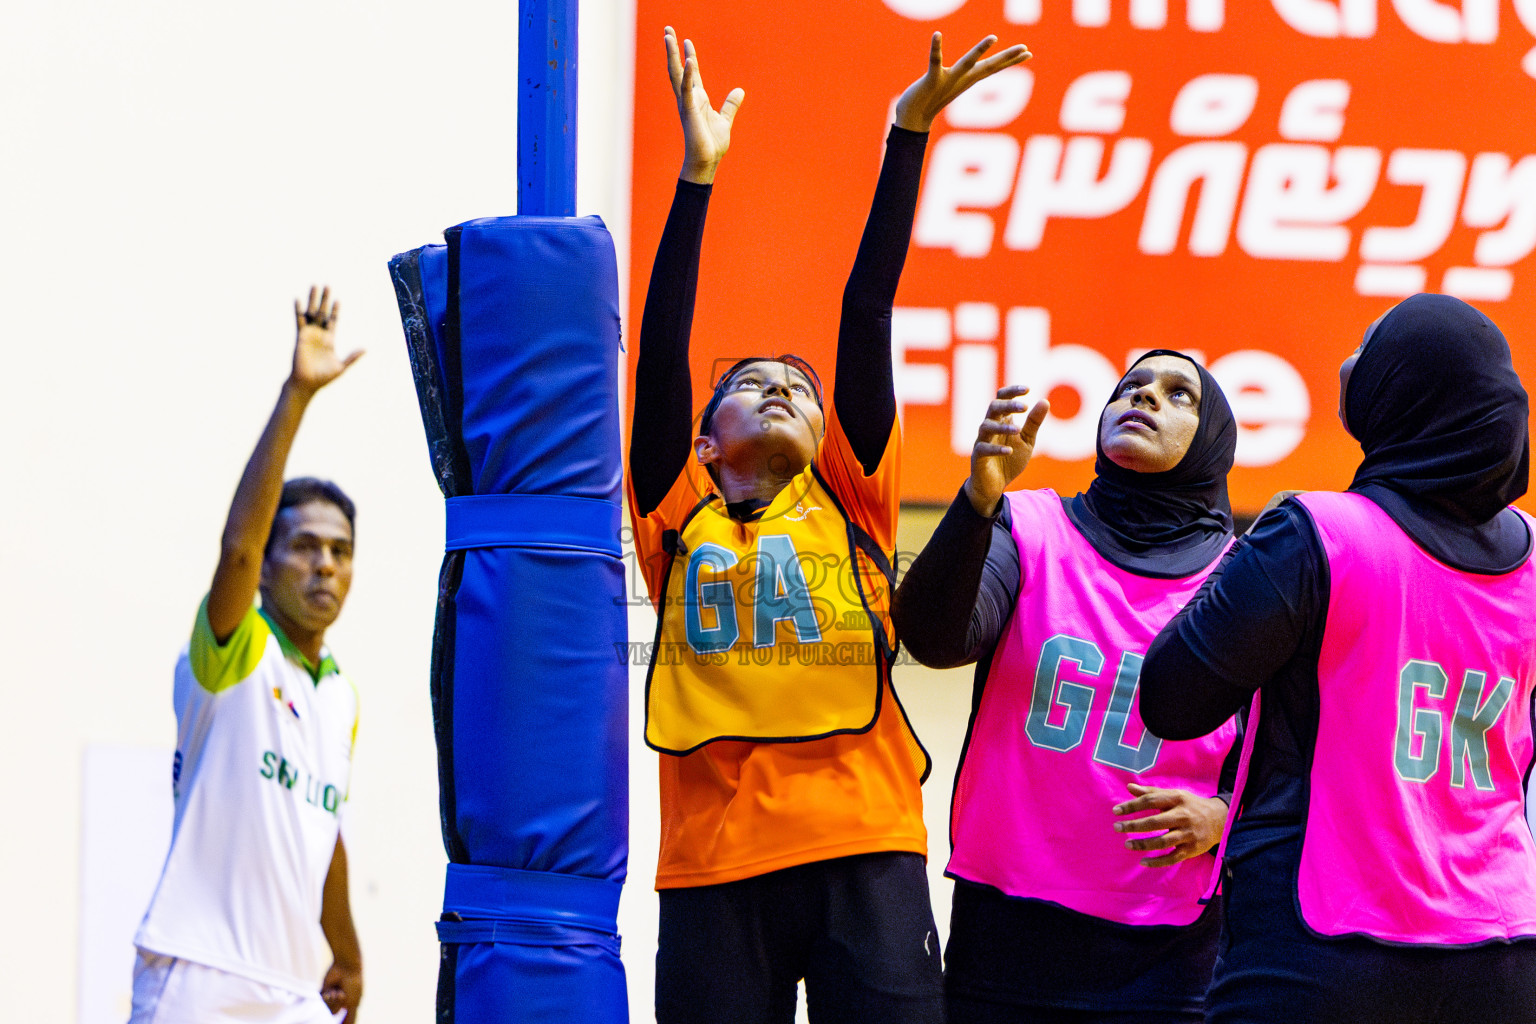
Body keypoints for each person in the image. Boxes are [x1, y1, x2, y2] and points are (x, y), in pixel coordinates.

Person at [627, 26, 1029, 1024]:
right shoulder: (676, 515)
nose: (785, 395)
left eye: (800, 392)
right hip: (715, 862)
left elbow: (866, 306)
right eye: (754, 387)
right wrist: (696, 180)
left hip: (865, 842)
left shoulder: (851, 498)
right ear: (707, 445)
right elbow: (663, 349)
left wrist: (908, 132)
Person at [1140, 293, 1536, 1024]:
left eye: (1370, 346)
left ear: (1401, 392)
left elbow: (1169, 698)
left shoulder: (1319, 533)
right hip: (1503, 953)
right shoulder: (1534, 556)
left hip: (1324, 949)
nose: (1351, 362)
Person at [892, 352, 1242, 1023]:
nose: (1145, 399)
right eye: (1132, 387)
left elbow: (1301, 752)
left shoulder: (1243, 575)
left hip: (1168, 952)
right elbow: (938, 641)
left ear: (1212, 440)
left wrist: (1227, 817)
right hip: (1007, 935)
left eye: (1178, 395)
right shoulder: (1027, 524)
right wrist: (977, 500)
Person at [130, 287, 365, 1024]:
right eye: (303, 547)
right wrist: (297, 396)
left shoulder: (341, 697)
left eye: (340, 551)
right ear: (266, 566)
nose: (325, 564)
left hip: (295, 989)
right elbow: (236, 546)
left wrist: (348, 951)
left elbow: (320, 826)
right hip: (198, 973)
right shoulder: (236, 648)